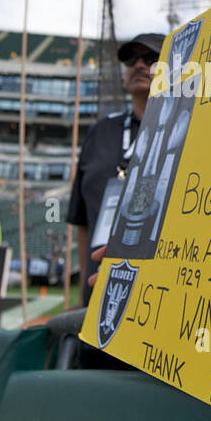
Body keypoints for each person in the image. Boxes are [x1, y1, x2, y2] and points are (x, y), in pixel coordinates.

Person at [67, 33, 164, 304]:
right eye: (132, 59)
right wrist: (83, 292)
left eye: (152, 58)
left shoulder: (187, 128)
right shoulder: (100, 131)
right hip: (97, 290)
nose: (139, 65)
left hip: (154, 293)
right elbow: (83, 220)